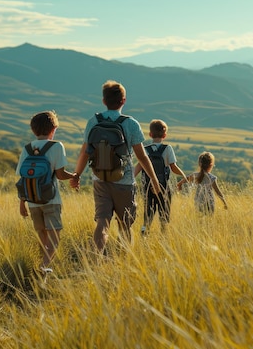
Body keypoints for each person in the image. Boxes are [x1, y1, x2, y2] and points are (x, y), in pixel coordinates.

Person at [70, 80, 161, 254]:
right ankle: (126, 262)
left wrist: (76, 175)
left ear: (104, 101)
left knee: (102, 222)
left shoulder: (93, 121)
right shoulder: (130, 123)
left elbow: (84, 152)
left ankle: (96, 259)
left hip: (100, 179)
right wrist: (155, 182)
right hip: (124, 181)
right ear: (124, 100)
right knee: (125, 225)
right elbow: (142, 156)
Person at [16, 110, 77, 274]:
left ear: (33, 130)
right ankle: (44, 267)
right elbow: (60, 174)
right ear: (53, 129)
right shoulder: (56, 146)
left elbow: (22, 179)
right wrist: (75, 176)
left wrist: (22, 203)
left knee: (42, 235)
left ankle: (43, 265)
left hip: (32, 201)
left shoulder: (27, 148)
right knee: (54, 236)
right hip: (51, 200)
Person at [134, 119, 188, 234]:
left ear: (150, 134)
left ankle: (144, 232)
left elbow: (138, 168)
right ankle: (164, 235)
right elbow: (173, 167)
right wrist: (184, 175)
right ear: (164, 135)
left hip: (148, 187)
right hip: (164, 187)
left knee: (148, 213)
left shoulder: (145, 150)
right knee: (164, 214)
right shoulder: (167, 148)